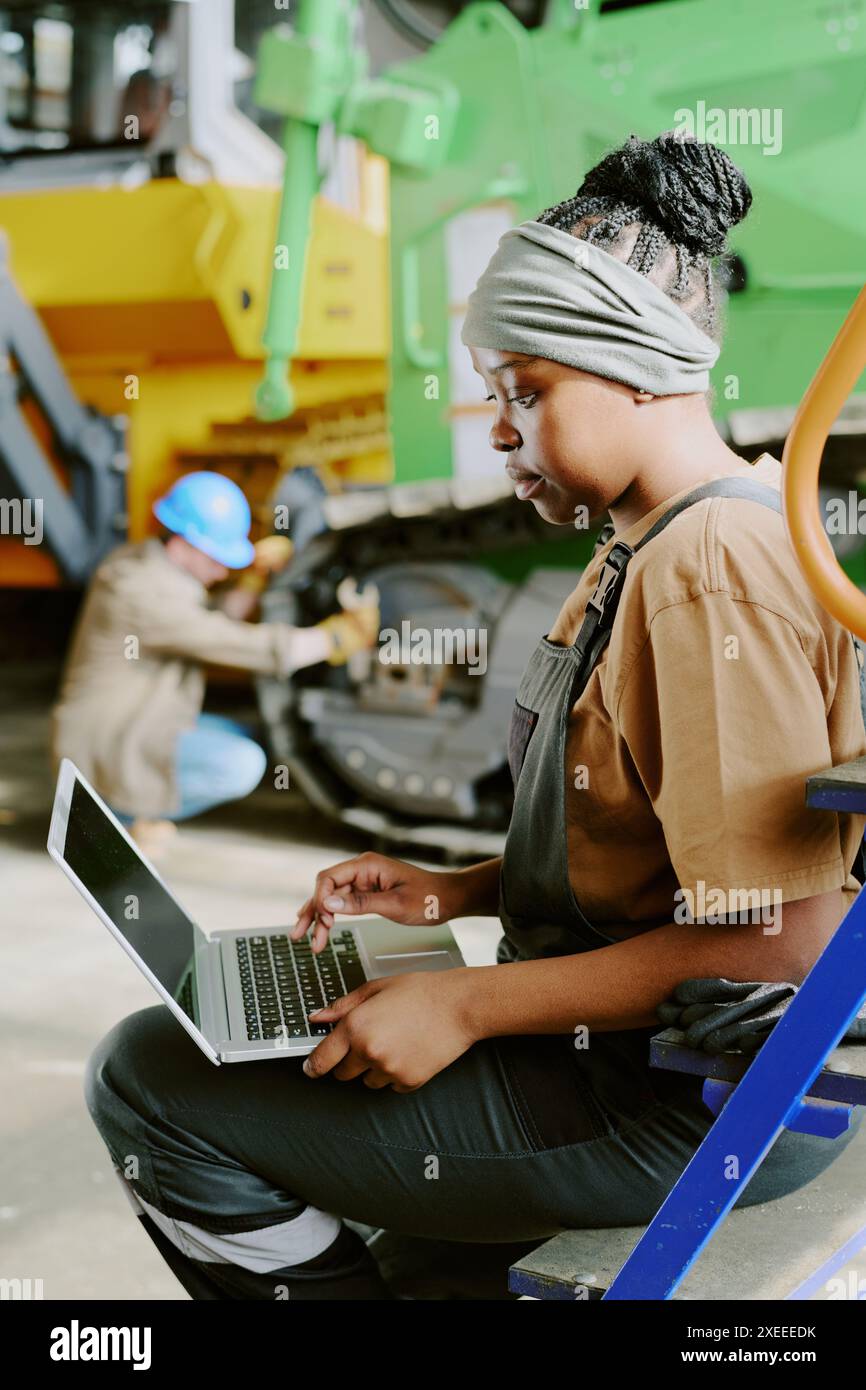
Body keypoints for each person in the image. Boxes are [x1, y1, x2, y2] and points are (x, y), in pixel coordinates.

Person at [84, 133, 866, 1300]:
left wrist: (462, 998)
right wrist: (451, 892)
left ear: (637, 366)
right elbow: (655, 846)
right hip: (630, 1058)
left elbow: (777, 943)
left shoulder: (708, 564)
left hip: (684, 1096)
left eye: (524, 391)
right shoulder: (641, 542)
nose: (497, 430)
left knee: (147, 1075)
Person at [52, 471, 378, 854]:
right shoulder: (139, 590)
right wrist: (338, 637)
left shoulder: (149, 562)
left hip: (141, 718)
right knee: (242, 764)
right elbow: (242, 645)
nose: (224, 570)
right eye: (219, 557)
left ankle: (129, 806)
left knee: (262, 737)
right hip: (106, 745)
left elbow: (208, 620)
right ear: (186, 542)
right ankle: (118, 816)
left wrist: (254, 581)